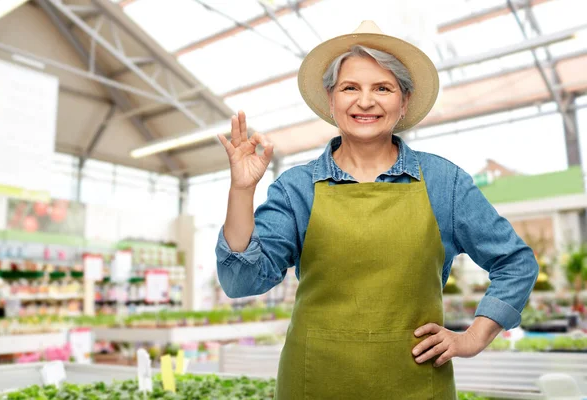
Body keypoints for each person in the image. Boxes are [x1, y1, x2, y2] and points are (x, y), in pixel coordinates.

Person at [215, 20, 539, 399]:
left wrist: (473, 337)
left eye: (382, 88)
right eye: (350, 87)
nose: (365, 101)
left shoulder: (443, 182)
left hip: (416, 385)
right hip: (315, 382)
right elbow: (241, 281)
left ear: (403, 102)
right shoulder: (297, 188)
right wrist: (241, 190)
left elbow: (515, 262)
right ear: (331, 99)